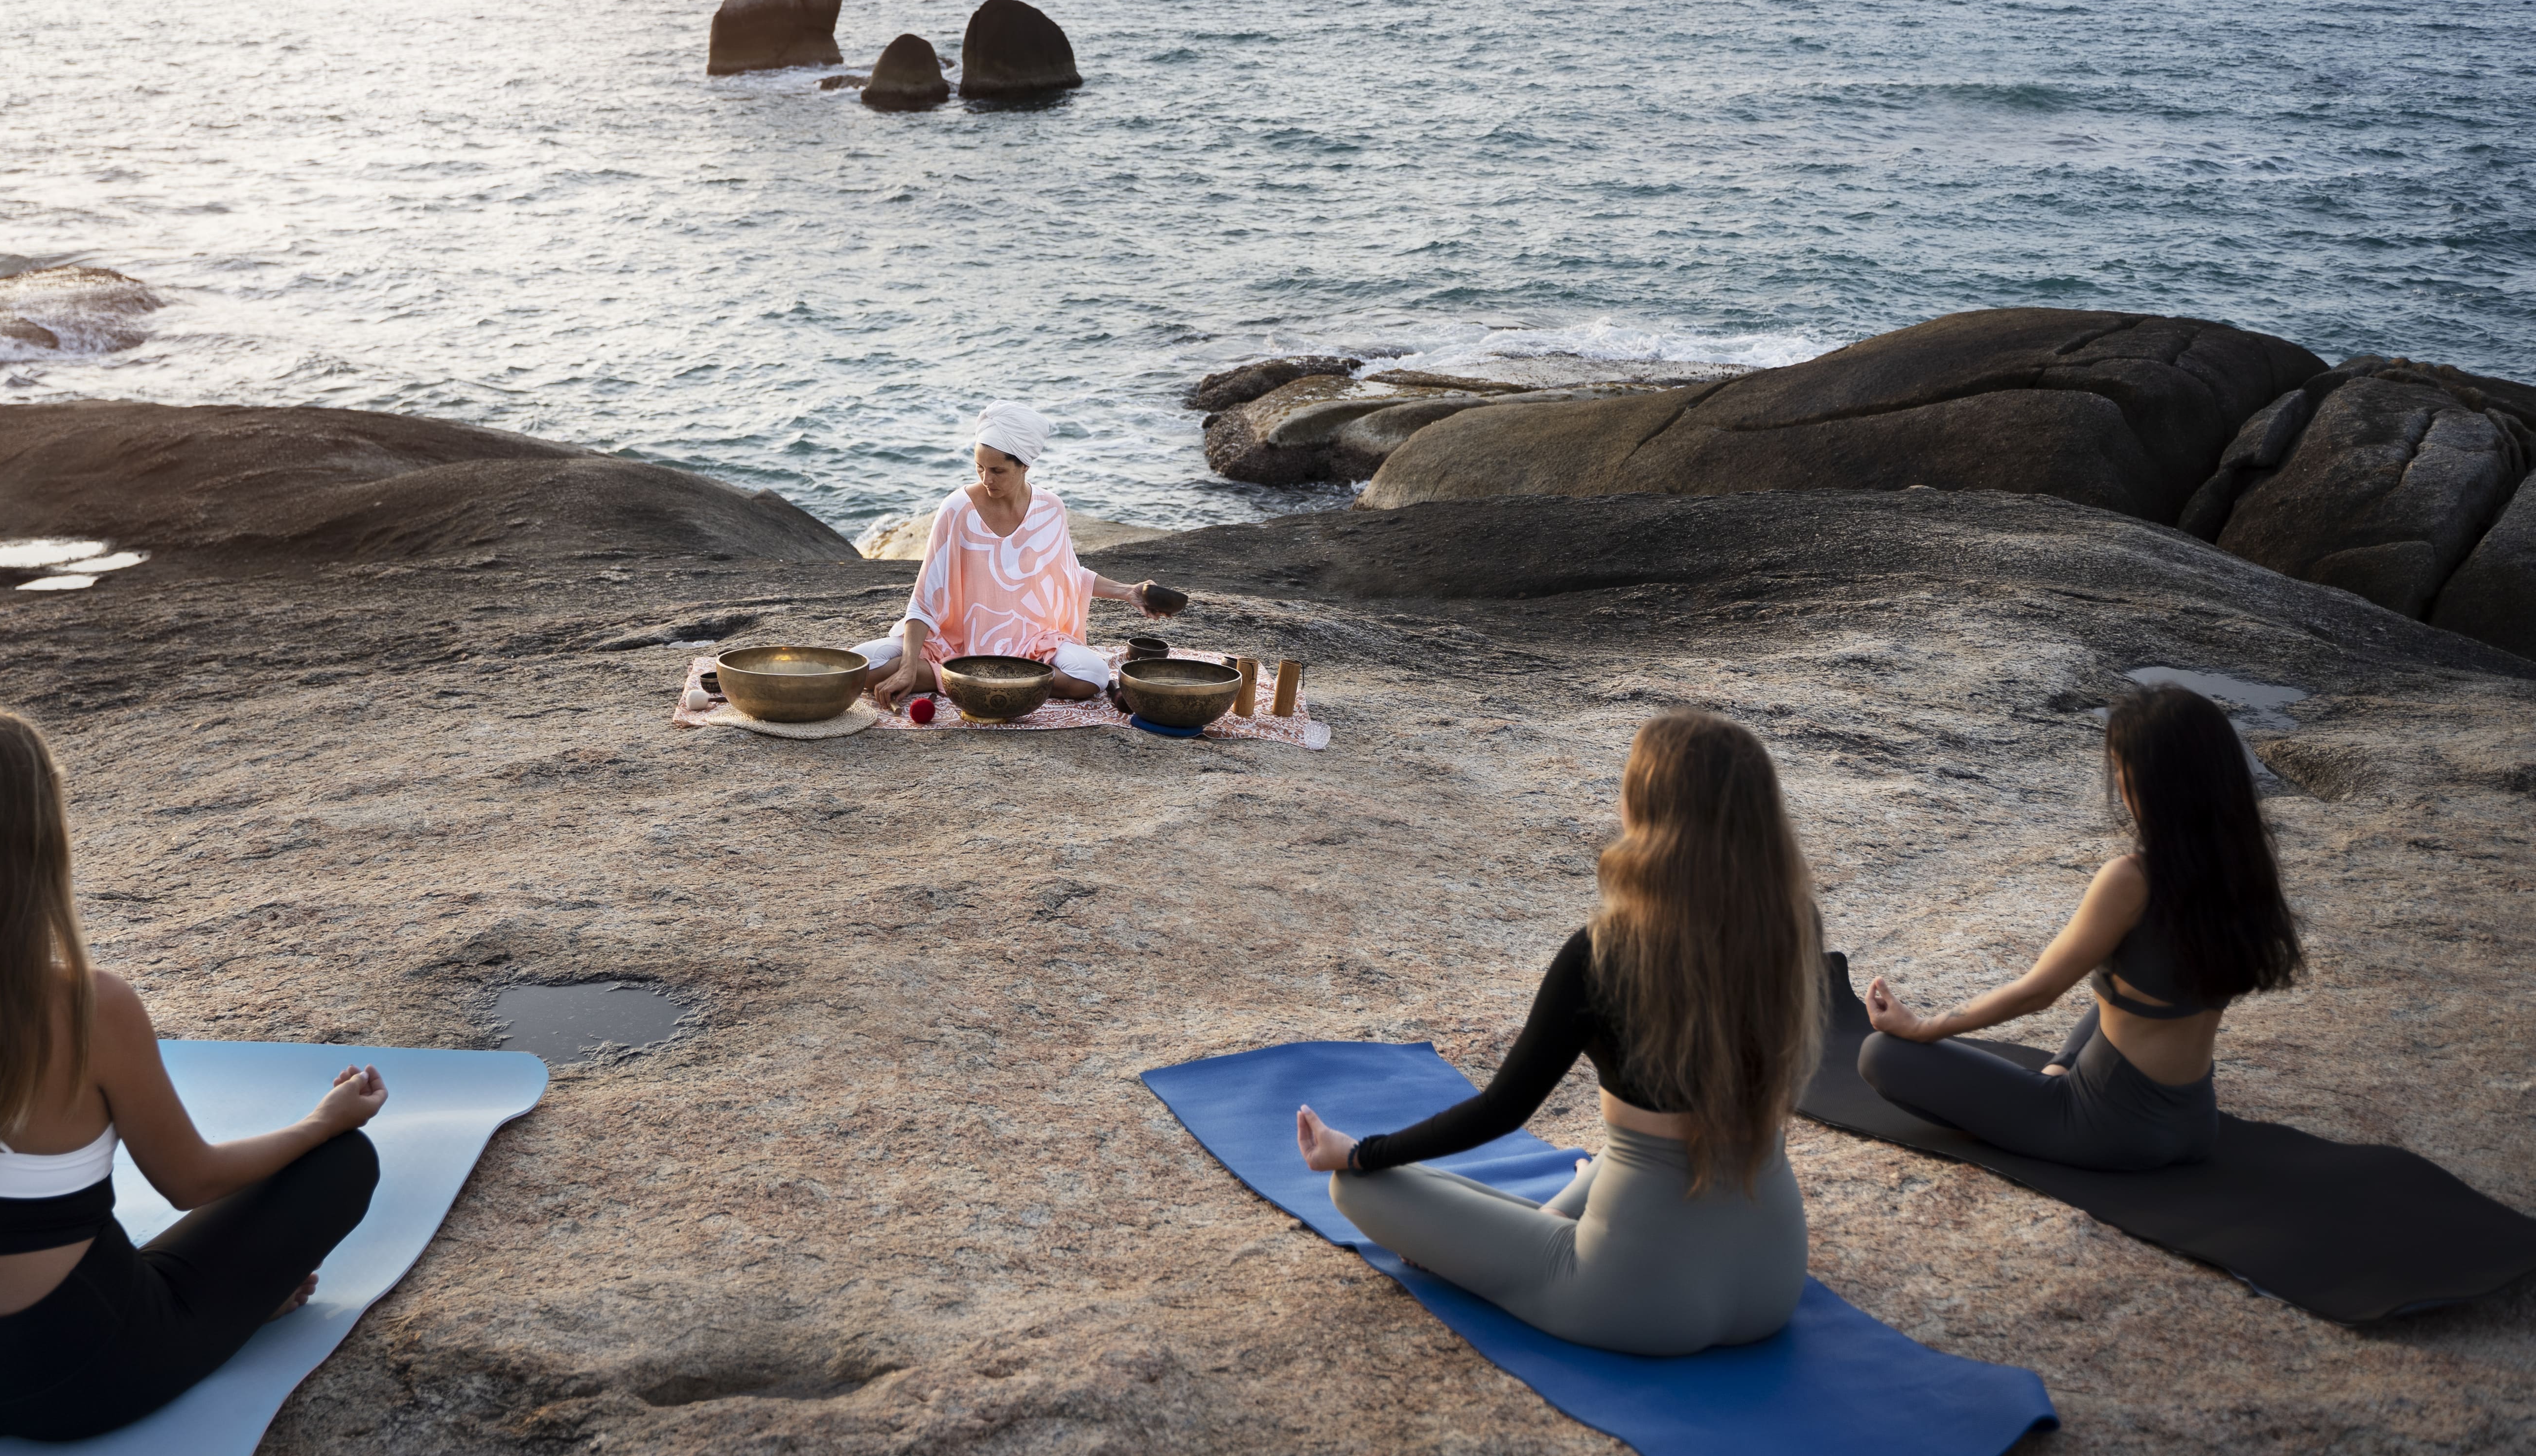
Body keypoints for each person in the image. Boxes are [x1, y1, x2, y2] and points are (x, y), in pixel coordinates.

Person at [0, 705, 386, 1442]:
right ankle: (227, 1315)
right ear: (38, 841)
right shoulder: (87, 1005)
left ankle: (209, 1310)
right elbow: (193, 1181)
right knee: (340, 1164)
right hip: (78, 1373)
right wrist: (322, 1123)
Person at [1294, 711, 1826, 1357]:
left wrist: (1355, 1153)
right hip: (1773, 1282)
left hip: (1633, 1299)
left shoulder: (1602, 953)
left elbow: (1501, 1111)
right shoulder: (1792, 934)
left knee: (1356, 1190)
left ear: (1647, 813)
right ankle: (1564, 1210)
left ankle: (1548, 1224)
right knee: (1617, 1158)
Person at [1858, 683, 2304, 1171]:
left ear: (2153, 781)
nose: (2117, 780)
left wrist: (1922, 1027)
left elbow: (2038, 992)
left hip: (2105, 1127)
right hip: (2195, 1123)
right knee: (2113, 998)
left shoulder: (2132, 879)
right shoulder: (2242, 867)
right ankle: (2050, 1079)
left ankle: (2038, 1103)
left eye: (2120, 767)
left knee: (1881, 1055)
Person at [861, 400, 1177, 709]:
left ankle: (964, 678)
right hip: (956, 642)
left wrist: (1129, 593)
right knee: (860, 665)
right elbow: (927, 595)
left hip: (1032, 646)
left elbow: (1068, 574)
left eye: (998, 470)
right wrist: (905, 666)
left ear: (1024, 465)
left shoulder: (1050, 508)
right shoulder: (957, 509)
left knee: (1092, 676)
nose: (987, 480)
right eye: (980, 468)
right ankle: (962, 675)